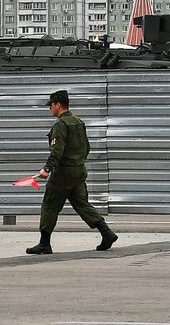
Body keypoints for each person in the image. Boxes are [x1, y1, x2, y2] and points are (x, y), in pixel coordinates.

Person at [25, 90, 117, 254]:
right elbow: (86, 148)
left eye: (51, 105)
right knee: (82, 204)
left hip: (63, 174)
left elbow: (57, 151)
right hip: (79, 171)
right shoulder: (78, 122)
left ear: (58, 105)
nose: (50, 109)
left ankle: (44, 244)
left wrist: (47, 169)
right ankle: (106, 232)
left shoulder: (61, 125)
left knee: (49, 205)